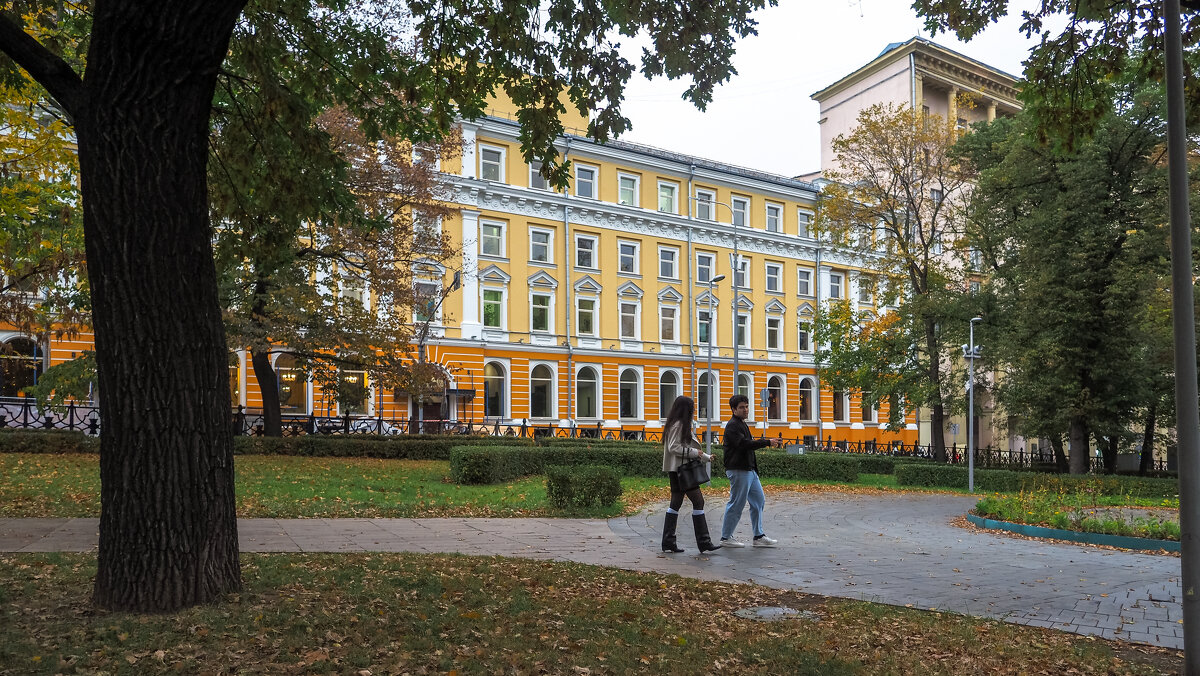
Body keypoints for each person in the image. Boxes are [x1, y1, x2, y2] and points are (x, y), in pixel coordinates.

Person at [660, 395, 721, 553]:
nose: (693, 411)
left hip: (677, 470)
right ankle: (704, 541)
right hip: (683, 471)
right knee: (698, 502)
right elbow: (674, 447)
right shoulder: (679, 425)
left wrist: (705, 457)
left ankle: (668, 541)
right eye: (692, 408)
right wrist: (696, 453)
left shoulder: (676, 424)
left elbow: (685, 447)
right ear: (686, 409)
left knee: (676, 503)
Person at [720, 393, 782, 548]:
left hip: (749, 470)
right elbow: (744, 444)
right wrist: (767, 442)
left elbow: (747, 445)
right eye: (741, 407)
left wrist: (754, 468)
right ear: (734, 409)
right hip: (739, 469)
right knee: (736, 503)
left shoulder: (741, 423)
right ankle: (726, 537)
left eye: (747, 406)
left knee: (758, 501)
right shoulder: (733, 425)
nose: (745, 410)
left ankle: (758, 535)